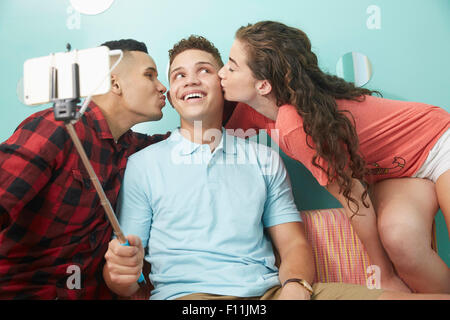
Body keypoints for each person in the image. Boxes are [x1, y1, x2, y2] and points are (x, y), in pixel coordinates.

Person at [103, 35, 450, 300]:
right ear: (171, 93)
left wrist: (297, 284)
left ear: (223, 85)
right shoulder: (143, 164)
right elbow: (126, 268)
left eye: (204, 71)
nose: (190, 80)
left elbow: (294, 245)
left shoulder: (264, 155)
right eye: (178, 75)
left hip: (271, 294)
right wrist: (118, 275)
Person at [218, 20, 450, 293]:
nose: (222, 73)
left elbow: (352, 196)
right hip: (399, 172)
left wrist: (382, 274)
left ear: (264, 85)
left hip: (438, 142)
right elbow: (204, 122)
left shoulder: (295, 124)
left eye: (231, 67)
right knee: (401, 239)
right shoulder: (253, 110)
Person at [0, 39, 169, 299]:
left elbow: (185, 142)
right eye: (150, 76)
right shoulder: (57, 129)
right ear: (115, 83)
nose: (162, 87)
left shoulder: (131, 146)